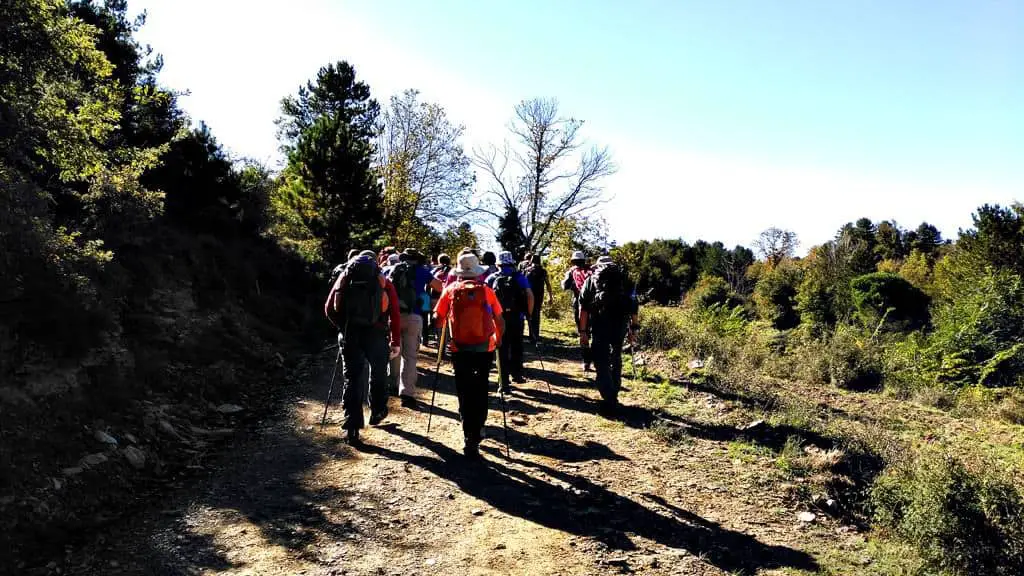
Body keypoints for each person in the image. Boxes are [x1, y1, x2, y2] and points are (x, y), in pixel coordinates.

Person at [325, 250, 401, 443]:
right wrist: (395, 340)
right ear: (377, 263)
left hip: (350, 333)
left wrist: (343, 327)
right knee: (378, 372)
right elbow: (394, 312)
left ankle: (352, 426)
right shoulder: (382, 280)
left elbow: (328, 309)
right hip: (376, 333)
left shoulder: (346, 275)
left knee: (352, 377)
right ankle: (377, 410)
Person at [434, 252, 505, 459]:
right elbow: (499, 319)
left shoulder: (450, 290)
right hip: (485, 348)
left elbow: (438, 319)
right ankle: (479, 428)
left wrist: (442, 328)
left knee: (464, 390)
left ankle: (468, 436)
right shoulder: (487, 291)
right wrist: (498, 338)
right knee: (481, 387)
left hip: (460, 348)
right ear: (476, 272)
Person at [578, 256, 639, 416]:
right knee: (616, 358)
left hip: (599, 326)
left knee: (601, 361)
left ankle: (609, 398)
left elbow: (583, 309)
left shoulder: (591, 281)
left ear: (597, 267)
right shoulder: (625, 281)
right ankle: (614, 393)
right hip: (619, 327)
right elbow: (634, 308)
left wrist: (583, 332)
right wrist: (634, 330)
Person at [384, 248, 442, 407]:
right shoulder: (422, 271)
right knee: (409, 356)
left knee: (394, 350)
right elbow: (439, 287)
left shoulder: (391, 270)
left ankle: (393, 385)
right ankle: (406, 393)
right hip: (414, 315)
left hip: (393, 316)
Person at [486, 251, 534, 393]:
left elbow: (486, 301)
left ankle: (504, 383)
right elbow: (530, 296)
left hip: (498, 318)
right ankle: (517, 374)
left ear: (498, 264)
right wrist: (528, 314)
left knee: (501, 348)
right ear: (512, 262)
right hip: (516, 317)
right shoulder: (519, 277)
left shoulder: (491, 278)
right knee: (516, 345)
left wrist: (489, 317)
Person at [562, 251, 593, 371]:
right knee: (595, 332)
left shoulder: (572, 272)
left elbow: (564, 286)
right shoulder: (592, 271)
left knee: (583, 332)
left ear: (573, 261)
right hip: (595, 306)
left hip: (579, 305)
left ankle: (586, 361)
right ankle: (598, 359)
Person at [522, 253, 554, 343]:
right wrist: (550, 296)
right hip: (539, 295)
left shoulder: (526, 270)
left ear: (531, 260)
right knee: (536, 315)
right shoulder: (543, 271)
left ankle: (530, 335)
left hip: (528, 295)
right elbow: (548, 284)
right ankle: (535, 336)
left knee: (528, 314)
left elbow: (522, 284)